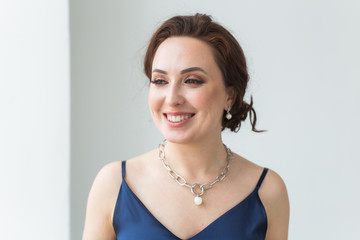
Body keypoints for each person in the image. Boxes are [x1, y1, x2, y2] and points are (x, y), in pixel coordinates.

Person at [82, 13, 289, 240]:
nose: (172, 98)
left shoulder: (267, 190)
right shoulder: (114, 183)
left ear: (230, 95)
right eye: (160, 81)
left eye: (192, 80)